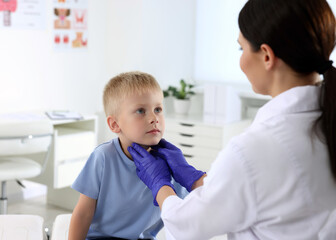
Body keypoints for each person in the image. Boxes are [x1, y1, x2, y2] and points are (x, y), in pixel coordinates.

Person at [128, 0, 336, 239]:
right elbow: (259, 194)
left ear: (267, 55)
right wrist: (197, 180)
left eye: (241, 49)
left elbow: (188, 225)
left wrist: (160, 185)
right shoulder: (324, 121)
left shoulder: (255, 149)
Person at [68, 71, 187, 240]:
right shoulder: (103, 157)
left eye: (158, 109)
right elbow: (83, 213)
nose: (154, 118)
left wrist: (187, 175)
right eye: (141, 111)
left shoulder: (171, 162)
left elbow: (185, 214)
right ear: (115, 124)